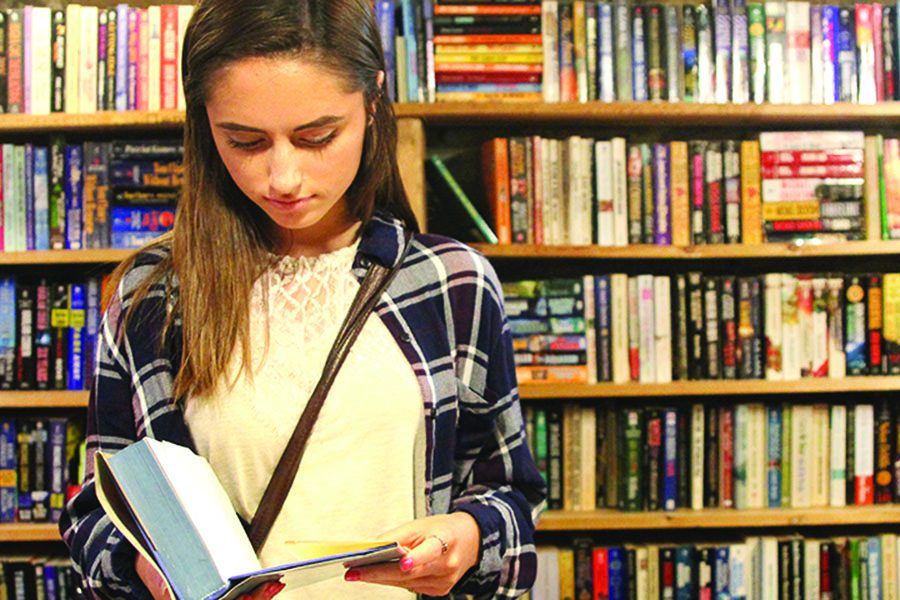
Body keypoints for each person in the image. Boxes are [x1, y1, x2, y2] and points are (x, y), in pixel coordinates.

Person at [60, 0, 546, 598]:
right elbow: (94, 513)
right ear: (205, 124)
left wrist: (468, 536)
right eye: (244, 141)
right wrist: (146, 567)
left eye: (318, 137)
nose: (283, 177)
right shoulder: (156, 295)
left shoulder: (451, 282)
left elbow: (510, 493)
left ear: (373, 102)